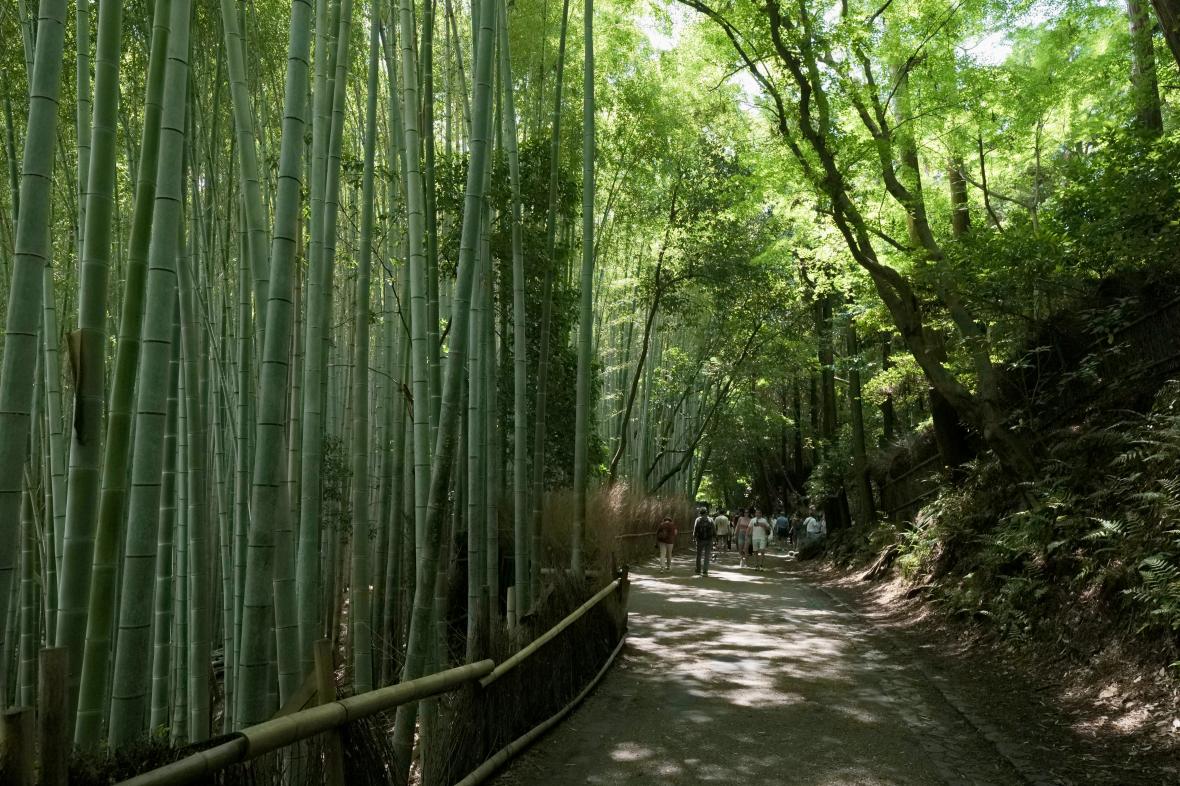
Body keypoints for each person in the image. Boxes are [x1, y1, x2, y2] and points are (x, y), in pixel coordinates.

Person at [693, 508, 716, 576]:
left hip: (700, 540)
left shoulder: (698, 519)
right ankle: (705, 571)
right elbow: (714, 530)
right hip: (709, 540)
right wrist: (715, 537)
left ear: (700, 513)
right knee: (707, 556)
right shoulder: (710, 520)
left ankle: (698, 570)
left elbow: (695, 529)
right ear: (706, 513)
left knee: (699, 555)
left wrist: (694, 537)